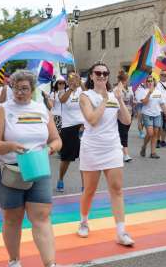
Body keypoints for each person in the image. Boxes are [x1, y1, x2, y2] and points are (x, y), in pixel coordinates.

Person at [0, 70, 62, 267]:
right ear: (11, 88)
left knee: (42, 216)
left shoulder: (41, 110)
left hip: (37, 168)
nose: (20, 93)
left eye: (24, 89)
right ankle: (14, 261)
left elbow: (56, 140)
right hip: (8, 171)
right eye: (16, 88)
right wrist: (10, 146)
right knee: (13, 218)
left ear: (32, 89)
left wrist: (49, 149)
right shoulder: (2, 110)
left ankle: (50, 264)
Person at [77, 62, 135, 246]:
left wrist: (118, 100)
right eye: (98, 73)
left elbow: (126, 121)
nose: (102, 76)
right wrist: (104, 100)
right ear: (91, 76)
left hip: (112, 148)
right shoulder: (85, 96)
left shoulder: (114, 95)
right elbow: (92, 120)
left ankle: (121, 232)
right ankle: (84, 221)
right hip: (92, 148)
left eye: (105, 73)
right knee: (90, 190)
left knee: (117, 189)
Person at [57, 72, 84, 192]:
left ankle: (85, 185)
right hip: (68, 128)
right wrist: (71, 89)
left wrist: (81, 83)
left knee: (85, 158)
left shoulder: (82, 91)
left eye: (75, 78)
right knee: (66, 159)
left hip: (82, 127)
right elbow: (62, 100)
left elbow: (90, 94)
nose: (73, 80)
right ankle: (61, 179)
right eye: (71, 79)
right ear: (67, 81)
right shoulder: (63, 91)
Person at [136, 75, 166, 159]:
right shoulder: (143, 91)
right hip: (147, 114)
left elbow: (162, 104)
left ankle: (153, 153)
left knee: (155, 134)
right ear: (146, 83)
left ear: (154, 82)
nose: (150, 82)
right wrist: (149, 93)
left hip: (157, 114)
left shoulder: (158, 92)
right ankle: (144, 146)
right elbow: (145, 103)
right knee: (150, 133)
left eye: (151, 81)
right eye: (148, 81)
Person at [116, 70, 134, 162]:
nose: (126, 81)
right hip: (120, 114)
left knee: (122, 134)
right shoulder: (117, 89)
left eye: (127, 79)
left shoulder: (130, 89)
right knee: (124, 134)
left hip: (130, 113)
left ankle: (119, 150)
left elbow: (131, 100)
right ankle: (126, 154)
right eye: (125, 79)